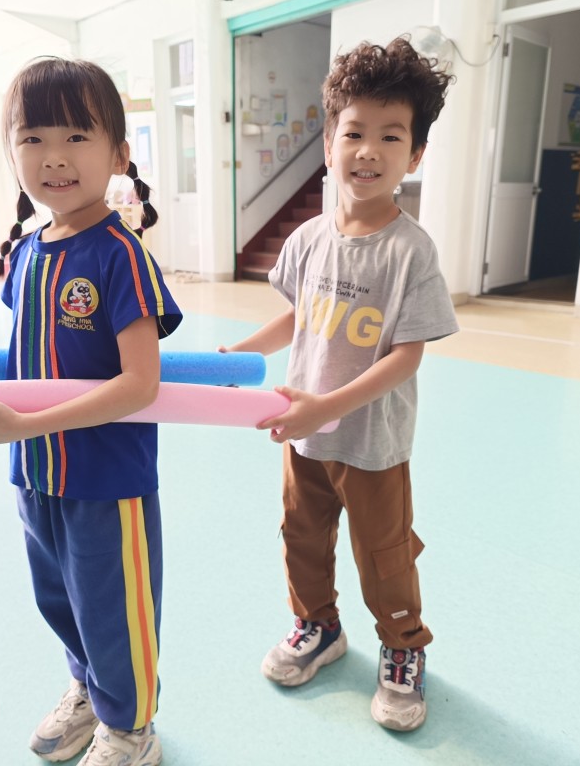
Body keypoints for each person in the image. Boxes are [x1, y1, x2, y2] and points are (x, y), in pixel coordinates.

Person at [220, 38, 456, 732]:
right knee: (301, 536)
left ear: (415, 155)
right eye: (353, 132)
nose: (368, 150)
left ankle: (402, 645)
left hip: (372, 444)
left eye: (391, 136)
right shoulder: (307, 239)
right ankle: (318, 626)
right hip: (303, 436)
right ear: (329, 144)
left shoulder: (411, 251)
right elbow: (299, 316)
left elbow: (406, 357)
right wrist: (241, 354)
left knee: (384, 556)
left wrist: (327, 404)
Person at [0, 56, 181, 765]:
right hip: (37, 473)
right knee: (61, 599)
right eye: (33, 138)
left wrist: (21, 425)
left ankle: (131, 728)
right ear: (12, 154)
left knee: (114, 611)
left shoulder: (120, 256)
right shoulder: (26, 253)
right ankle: (89, 690)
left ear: (117, 154)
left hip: (105, 478)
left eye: (77, 137)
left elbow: (140, 384)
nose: (54, 157)